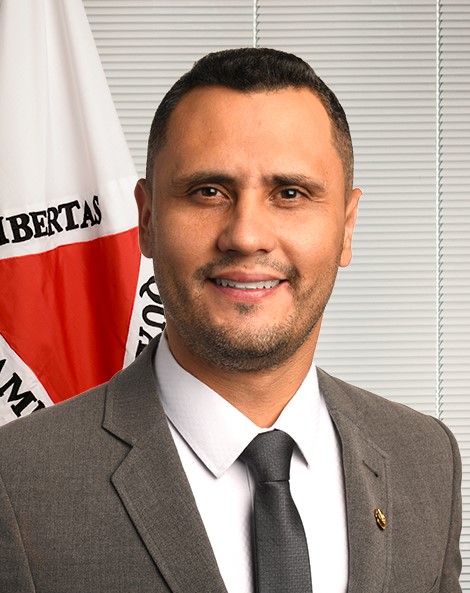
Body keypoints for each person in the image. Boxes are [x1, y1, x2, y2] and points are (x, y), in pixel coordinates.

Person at [0, 48, 461, 593]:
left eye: (289, 193)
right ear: (147, 220)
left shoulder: (426, 459)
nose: (245, 235)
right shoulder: (18, 481)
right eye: (208, 192)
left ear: (347, 226)